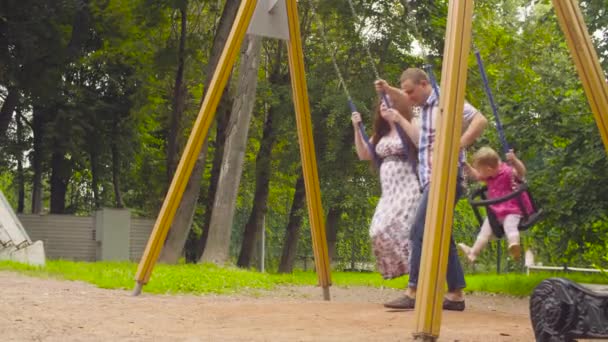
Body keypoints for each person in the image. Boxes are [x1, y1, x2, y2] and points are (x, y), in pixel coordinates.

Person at [377, 67, 488, 311]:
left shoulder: (446, 103)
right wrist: (389, 93)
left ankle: (414, 291)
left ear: (425, 84)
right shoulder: (423, 110)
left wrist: (457, 144)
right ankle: (456, 295)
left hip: (446, 178)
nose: (409, 97)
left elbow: (480, 120)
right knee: (442, 236)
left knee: (418, 228)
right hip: (430, 180)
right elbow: (419, 139)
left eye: (411, 91)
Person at [351, 96, 421, 280]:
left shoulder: (407, 126)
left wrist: (399, 119)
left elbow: (420, 143)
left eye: (388, 101)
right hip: (389, 193)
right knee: (377, 230)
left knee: (402, 228)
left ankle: (416, 272)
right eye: (381, 102)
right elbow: (364, 154)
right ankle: (400, 268)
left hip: (409, 187)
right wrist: (357, 129)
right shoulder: (380, 134)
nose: (383, 104)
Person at [457, 146, 532, 262]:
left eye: (480, 169)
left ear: (488, 169)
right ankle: (473, 253)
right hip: (496, 212)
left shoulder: (507, 172)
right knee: (484, 231)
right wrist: (466, 165)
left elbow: (522, 173)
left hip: (513, 209)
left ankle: (514, 244)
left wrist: (515, 161)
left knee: (509, 225)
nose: (479, 173)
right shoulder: (489, 176)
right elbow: (476, 175)